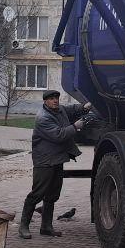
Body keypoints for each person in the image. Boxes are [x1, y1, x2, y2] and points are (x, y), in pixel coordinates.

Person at [19, 90, 91, 240]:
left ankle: (46, 227)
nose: (55, 101)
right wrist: (75, 126)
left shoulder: (60, 110)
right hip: (44, 161)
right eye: (51, 99)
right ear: (45, 101)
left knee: (52, 194)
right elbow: (59, 135)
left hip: (57, 159)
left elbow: (72, 109)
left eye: (56, 98)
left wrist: (85, 106)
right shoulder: (43, 118)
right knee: (37, 193)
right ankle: (23, 226)